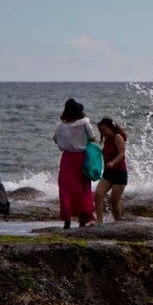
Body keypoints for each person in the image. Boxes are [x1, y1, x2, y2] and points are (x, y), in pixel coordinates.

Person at [53, 98, 97, 228]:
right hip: (81, 157)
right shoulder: (84, 123)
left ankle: (67, 220)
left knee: (66, 188)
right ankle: (82, 219)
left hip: (66, 158)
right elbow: (92, 138)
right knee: (82, 187)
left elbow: (55, 139)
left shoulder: (61, 126)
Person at [94, 118, 128, 223]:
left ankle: (117, 222)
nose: (102, 133)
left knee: (114, 201)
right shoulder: (107, 139)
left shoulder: (117, 137)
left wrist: (113, 163)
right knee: (98, 195)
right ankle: (99, 221)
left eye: (104, 130)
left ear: (111, 128)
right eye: (100, 131)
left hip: (119, 173)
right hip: (108, 173)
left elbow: (122, 153)